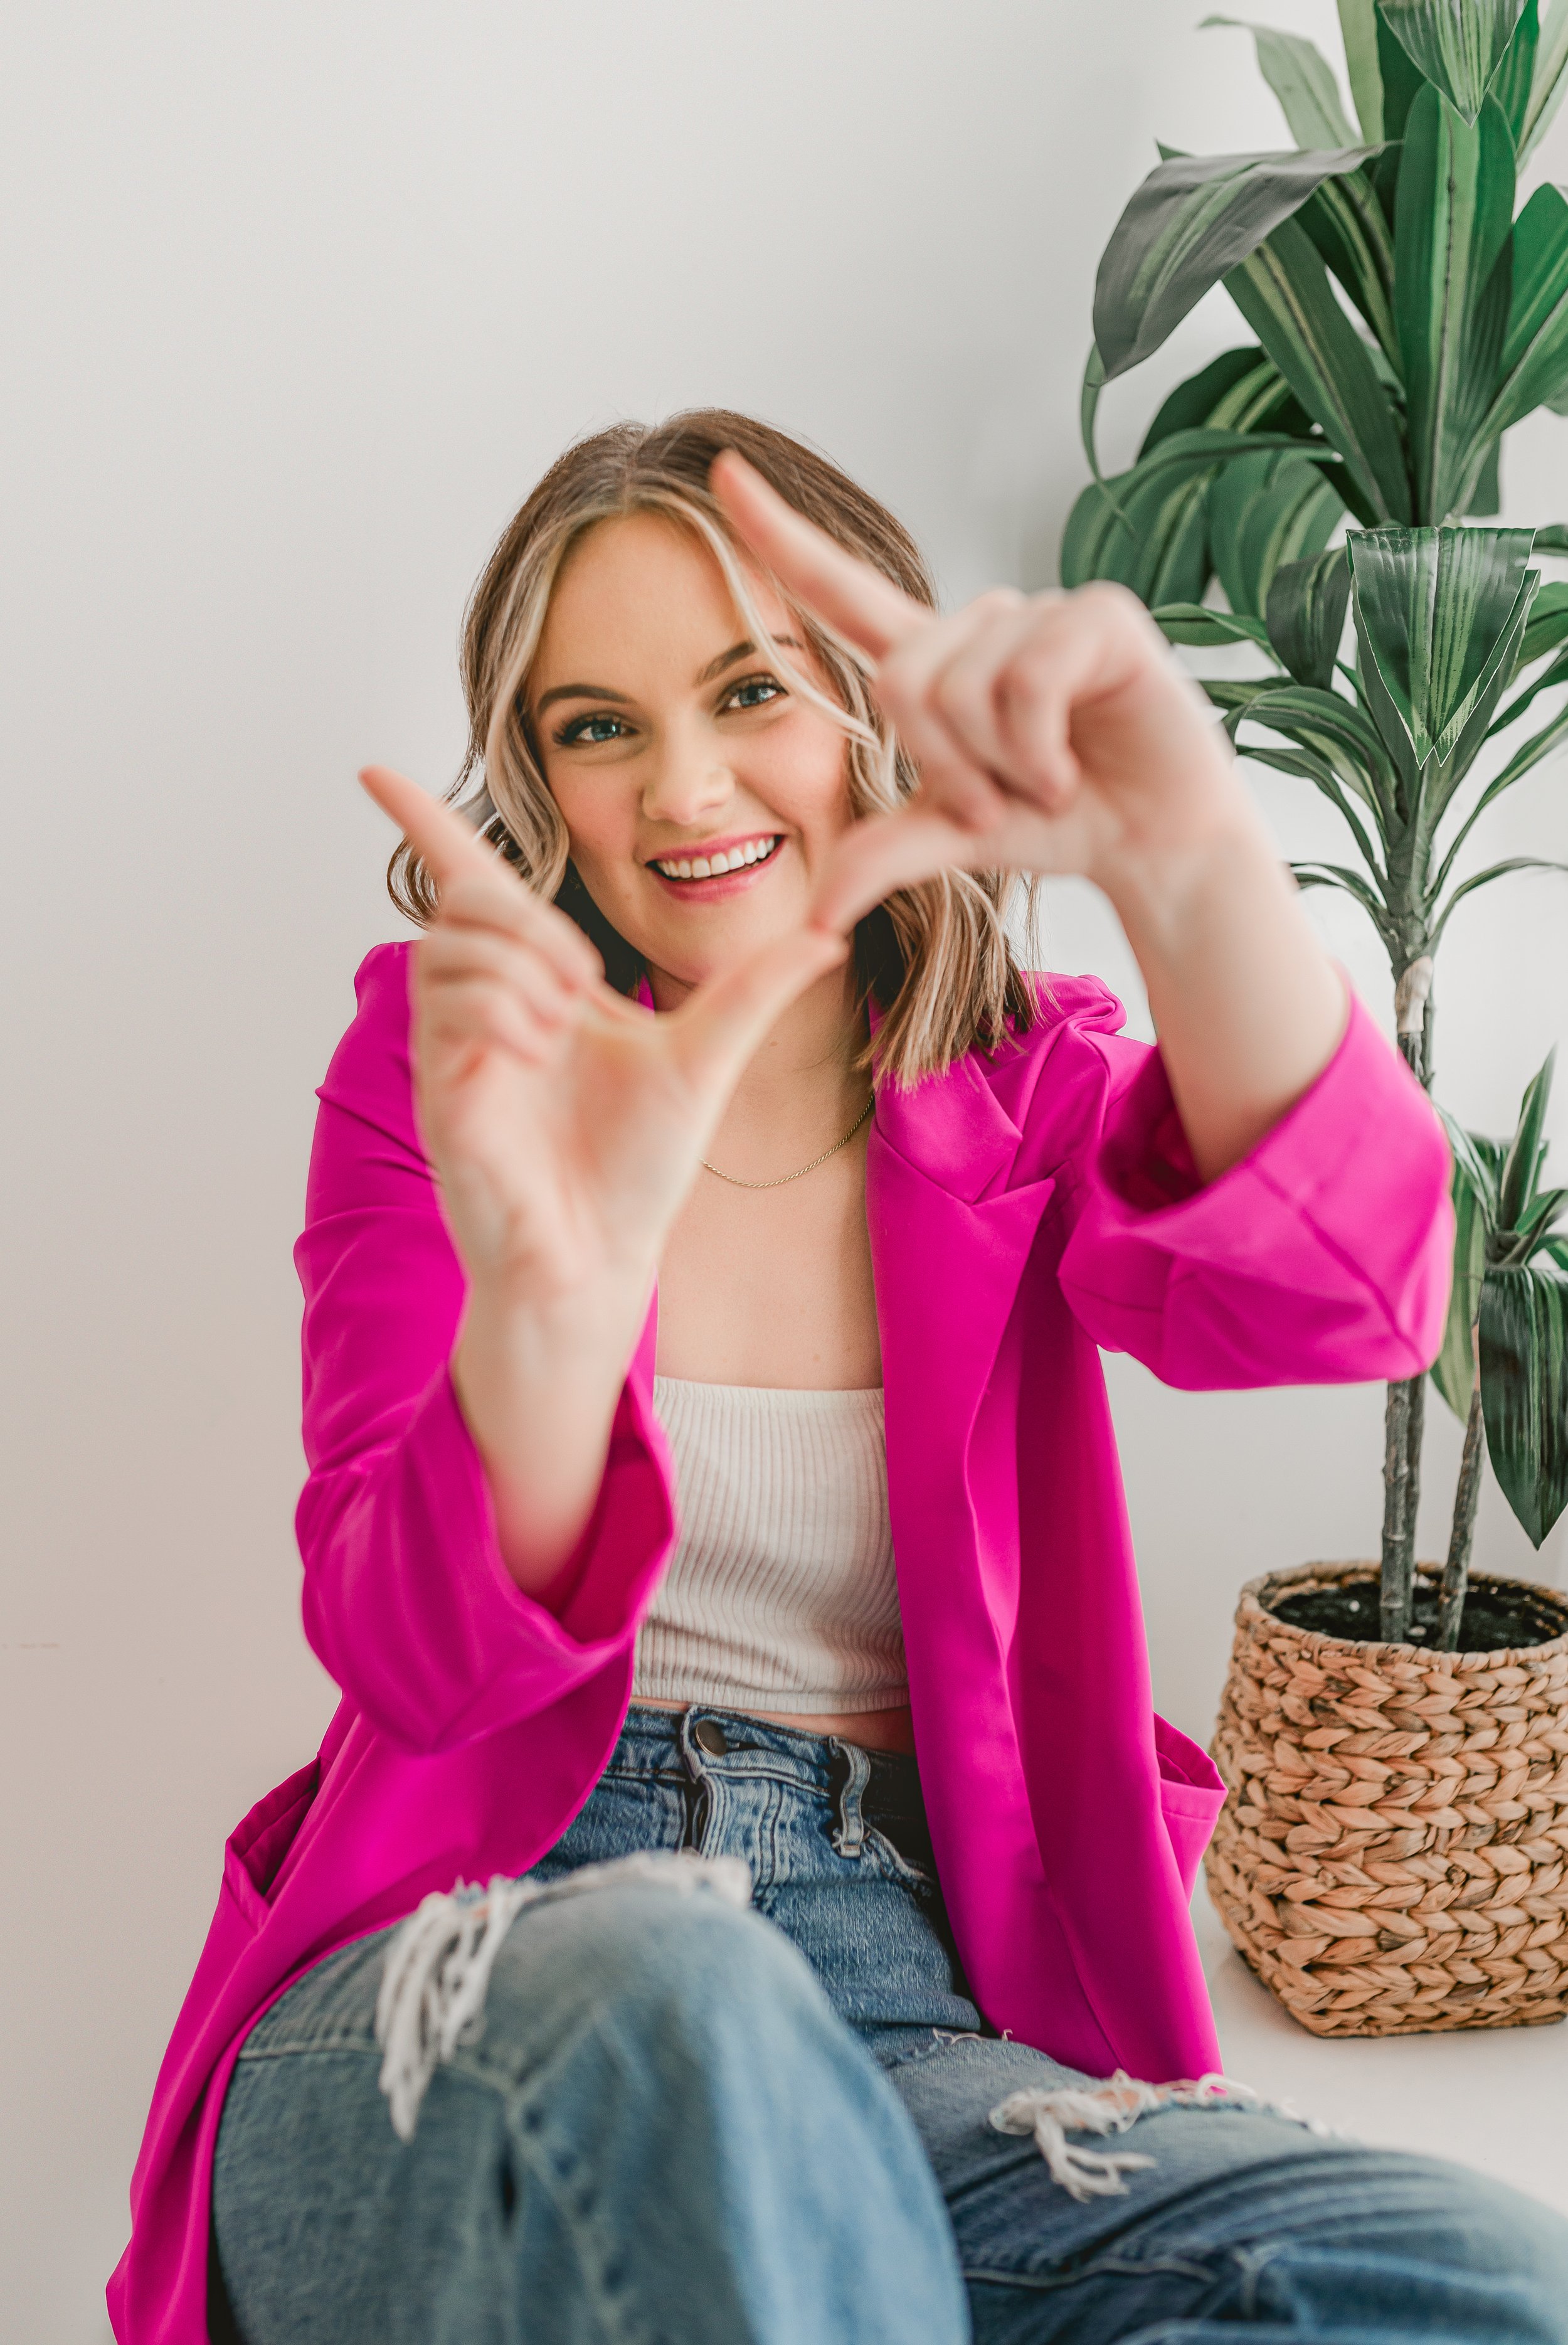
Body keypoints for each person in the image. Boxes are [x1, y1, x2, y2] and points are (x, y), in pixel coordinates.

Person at [109, 411, 1568, 2345]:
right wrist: (555, 1300)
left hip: (890, 1990)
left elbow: (1351, 1296)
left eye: (747, 689)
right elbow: (418, 1662)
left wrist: (1190, 851)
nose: (682, 783)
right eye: (593, 723)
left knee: (1457, 2276)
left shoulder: (1025, 1090)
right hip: (471, 1985)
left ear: (873, 713)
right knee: (671, 2008)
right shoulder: (452, 1069)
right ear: (535, 776)